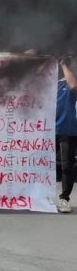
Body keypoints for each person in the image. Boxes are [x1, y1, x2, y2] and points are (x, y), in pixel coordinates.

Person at [56, 57, 77, 213]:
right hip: (43, 129)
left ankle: (64, 198)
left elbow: (74, 86)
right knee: (39, 163)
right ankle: (37, 196)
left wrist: (63, 64)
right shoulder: (45, 82)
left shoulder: (69, 79)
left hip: (66, 129)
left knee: (66, 166)